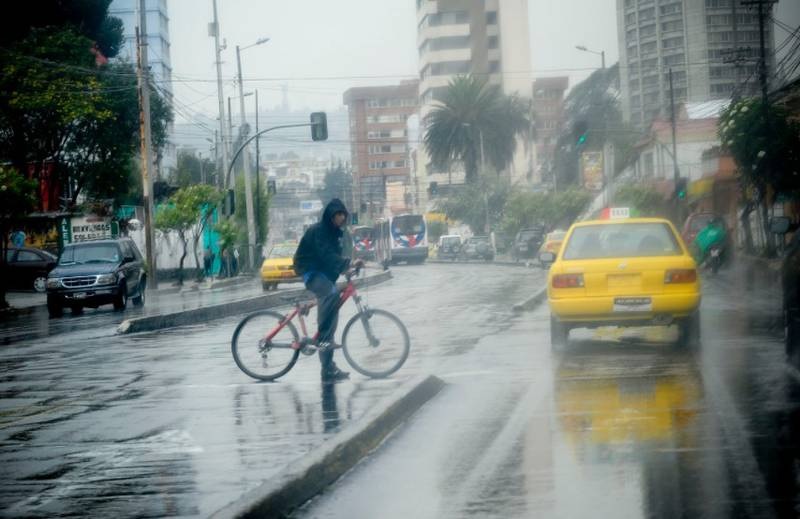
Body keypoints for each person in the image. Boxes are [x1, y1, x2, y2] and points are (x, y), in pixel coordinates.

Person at [294, 199, 364, 382]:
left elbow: (334, 258)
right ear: (330, 216)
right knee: (331, 295)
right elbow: (326, 255)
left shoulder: (336, 234)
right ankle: (323, 337)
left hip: (322, 271)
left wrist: (346, 268)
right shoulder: (319, 231)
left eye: (343, 215)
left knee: (331, 314)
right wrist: (347, 264)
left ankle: (328, 369)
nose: (341, 218)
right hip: (309, 270)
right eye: (337, 215)